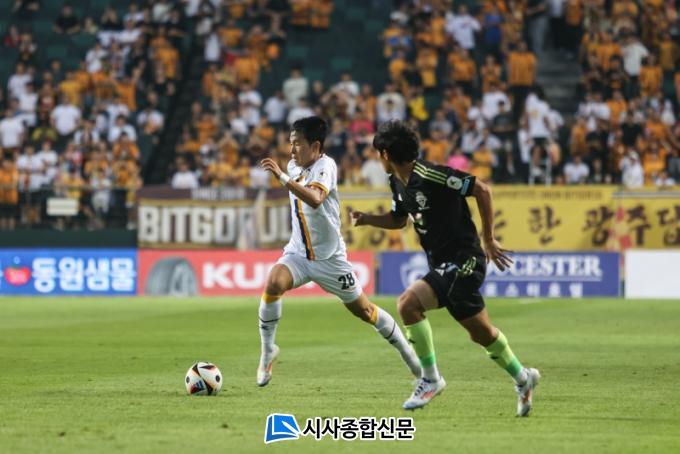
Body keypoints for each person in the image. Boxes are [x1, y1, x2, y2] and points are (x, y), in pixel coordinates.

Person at [351, 120, 540, 415]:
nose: (378, 158)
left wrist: (488, 239)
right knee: (482, 334)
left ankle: (430, 379)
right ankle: (523, 378)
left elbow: (482, 190)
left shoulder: (432, 175)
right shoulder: (397, 182)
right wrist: (367, 219)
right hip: (442, 264)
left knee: (408, 304)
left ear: (385, 154)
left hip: (466, 260)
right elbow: (399, 220)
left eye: (378, 153)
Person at [257, 116, 420, 387]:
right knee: (274, 282)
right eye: (290, 143)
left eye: (297, 143)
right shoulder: (294, 166)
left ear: (315, 145)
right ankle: (267, 352)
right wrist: (286, 174)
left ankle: (413, 360)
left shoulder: (326, 166)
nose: (292, 149)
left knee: (366, 311)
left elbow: (316, 199)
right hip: (298, 254)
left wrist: (282, 178)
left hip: (331, 260)